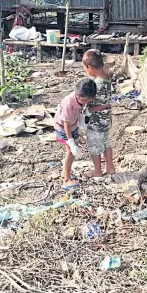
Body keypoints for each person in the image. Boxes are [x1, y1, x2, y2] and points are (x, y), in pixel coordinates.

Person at [54, 78, 97, 190]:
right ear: (77, 95)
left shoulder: (81, 99)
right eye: (83, 100)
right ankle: (66, 180)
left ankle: (65, 172)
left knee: (73, 151)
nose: (85, 102)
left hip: (73, 125)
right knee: (70, 152)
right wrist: (71, 141)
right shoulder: (68, 103)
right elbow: (66, 124)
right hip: (63, 128)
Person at [82, 49, 115, 177]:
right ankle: (110, 167)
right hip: (106, 120)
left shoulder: (96, 84)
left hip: (96, 122)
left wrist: (86, 110)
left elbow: (96, 104)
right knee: (106, 143)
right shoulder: (107, 78)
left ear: (89, 67)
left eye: (86, 68)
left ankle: (97, 170)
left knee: (95, 147)